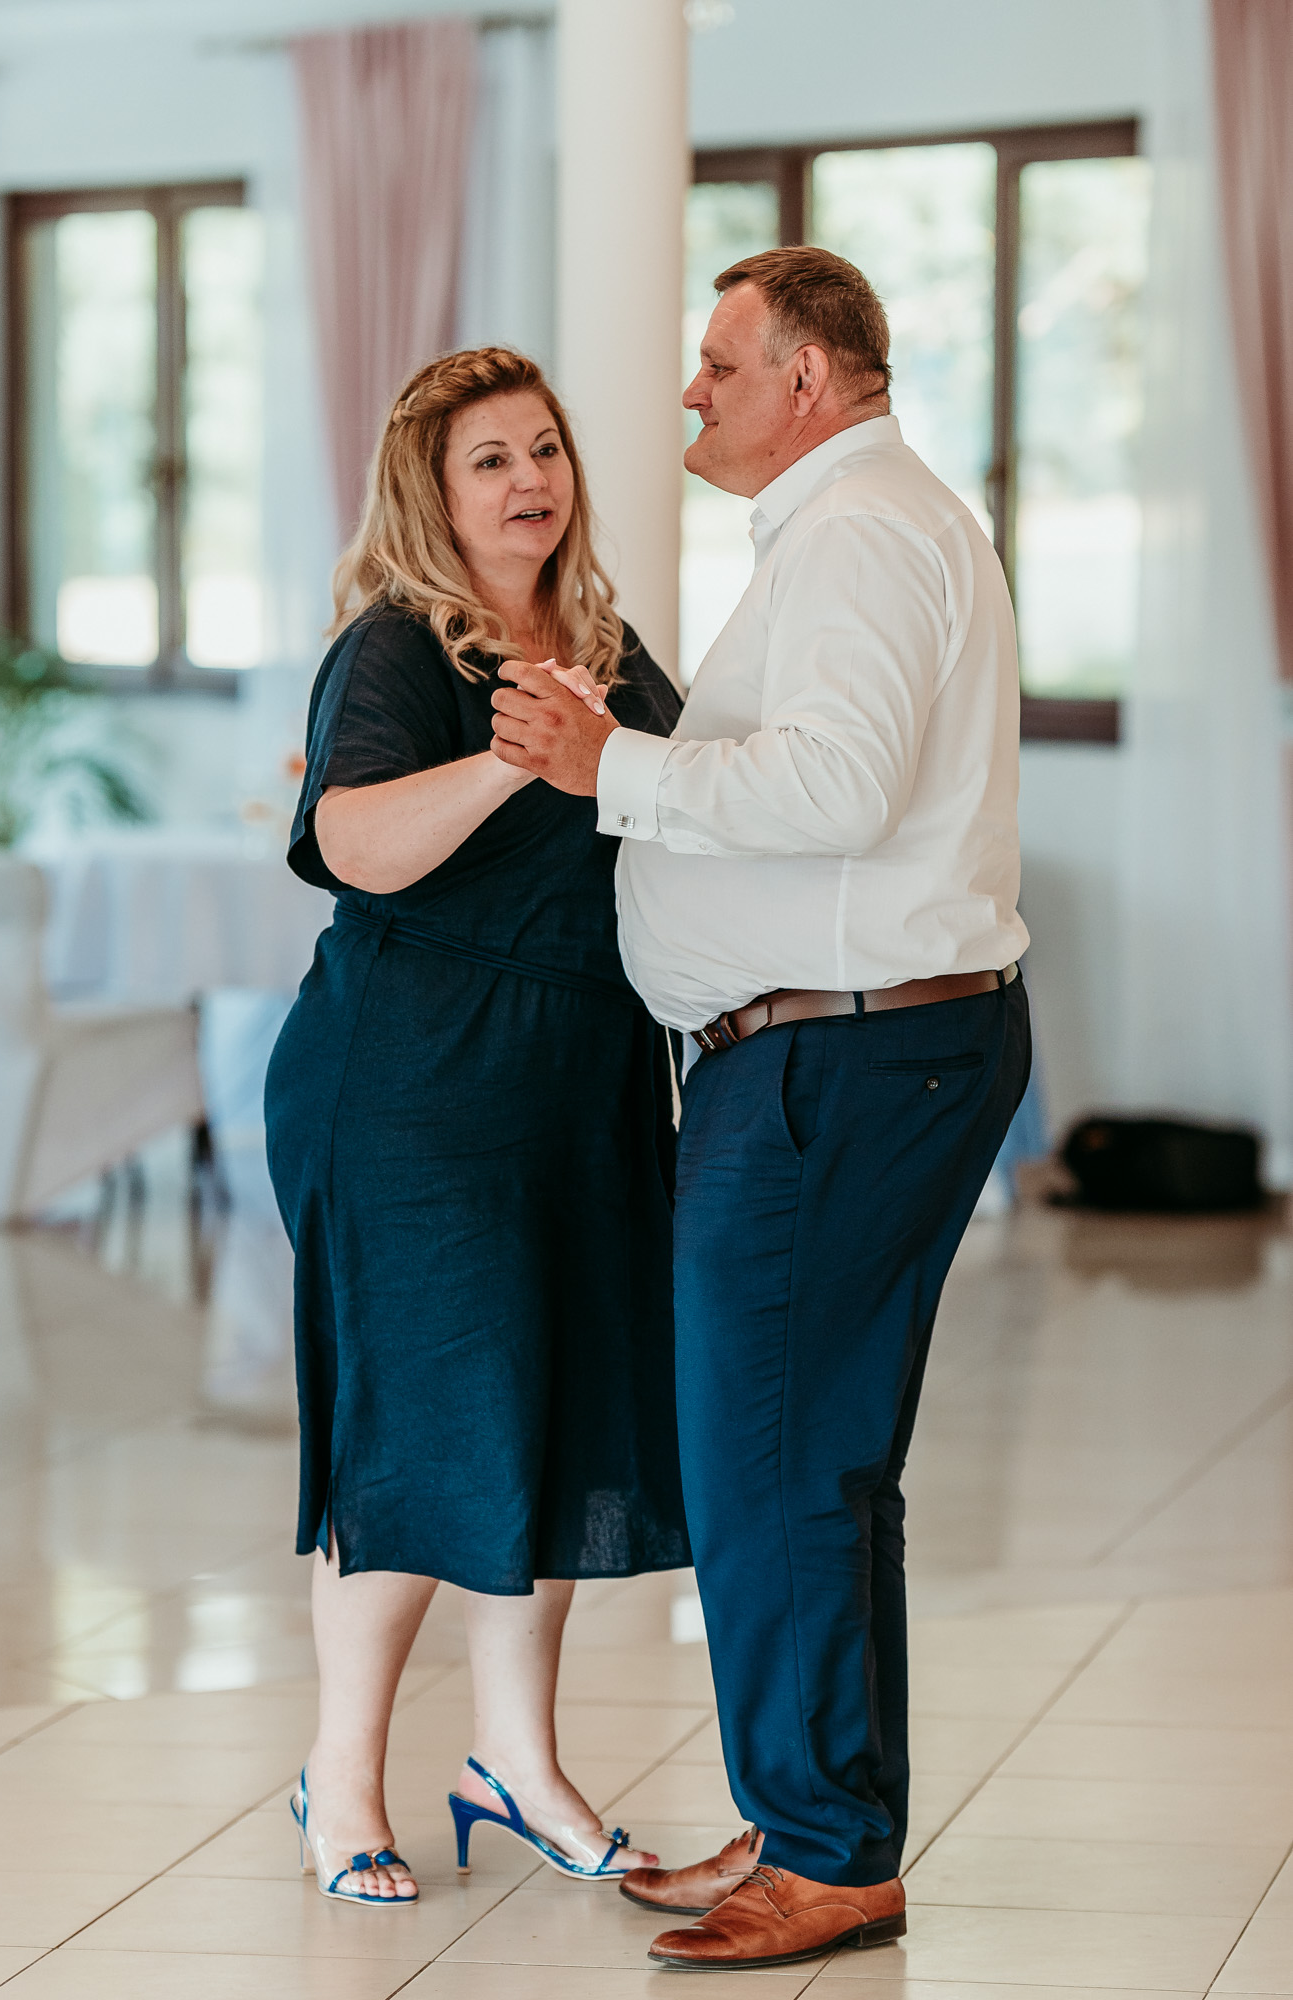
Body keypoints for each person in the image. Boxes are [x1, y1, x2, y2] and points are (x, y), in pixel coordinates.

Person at [490, 246, 1031, 1969]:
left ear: (807, 379)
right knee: (818, 1464)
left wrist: (610, 766)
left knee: (777, 1466)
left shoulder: (859, 528)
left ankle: (825, 1851)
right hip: (852, 1052)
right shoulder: (863, 521)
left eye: (719, 364)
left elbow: (838, 785)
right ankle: (815, 1816)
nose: (689, 391)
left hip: (834, 1062)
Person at [266, 346, 689, 1908]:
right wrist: (509, 762)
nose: (529, 482)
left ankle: (517, 1762)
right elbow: (349, 842)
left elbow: (684, 817)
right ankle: (342, 1778)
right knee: (415, 1424)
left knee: (549, 1414)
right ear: (433, 496)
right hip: (411, 1086)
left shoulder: (614, 652)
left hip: (578, 1082)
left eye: (544, 451)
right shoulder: (396, 646)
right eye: (491, 460)